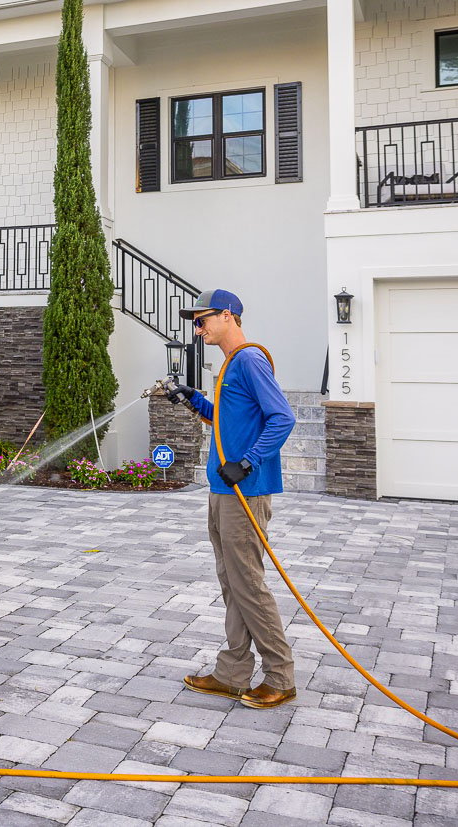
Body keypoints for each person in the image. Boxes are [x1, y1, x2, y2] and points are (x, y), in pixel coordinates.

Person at [165, 289, 297, 709]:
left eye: (202, 320)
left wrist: (249, 462)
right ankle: (232, 673)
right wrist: (193, 400)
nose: (197, 328)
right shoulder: (229, 365)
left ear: (228, 316)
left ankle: (280, 675)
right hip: (222, 492)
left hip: (244, 492)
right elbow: (226, 419)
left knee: (249, 586)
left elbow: (283, 417)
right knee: (232, 583)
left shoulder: (250, 359)